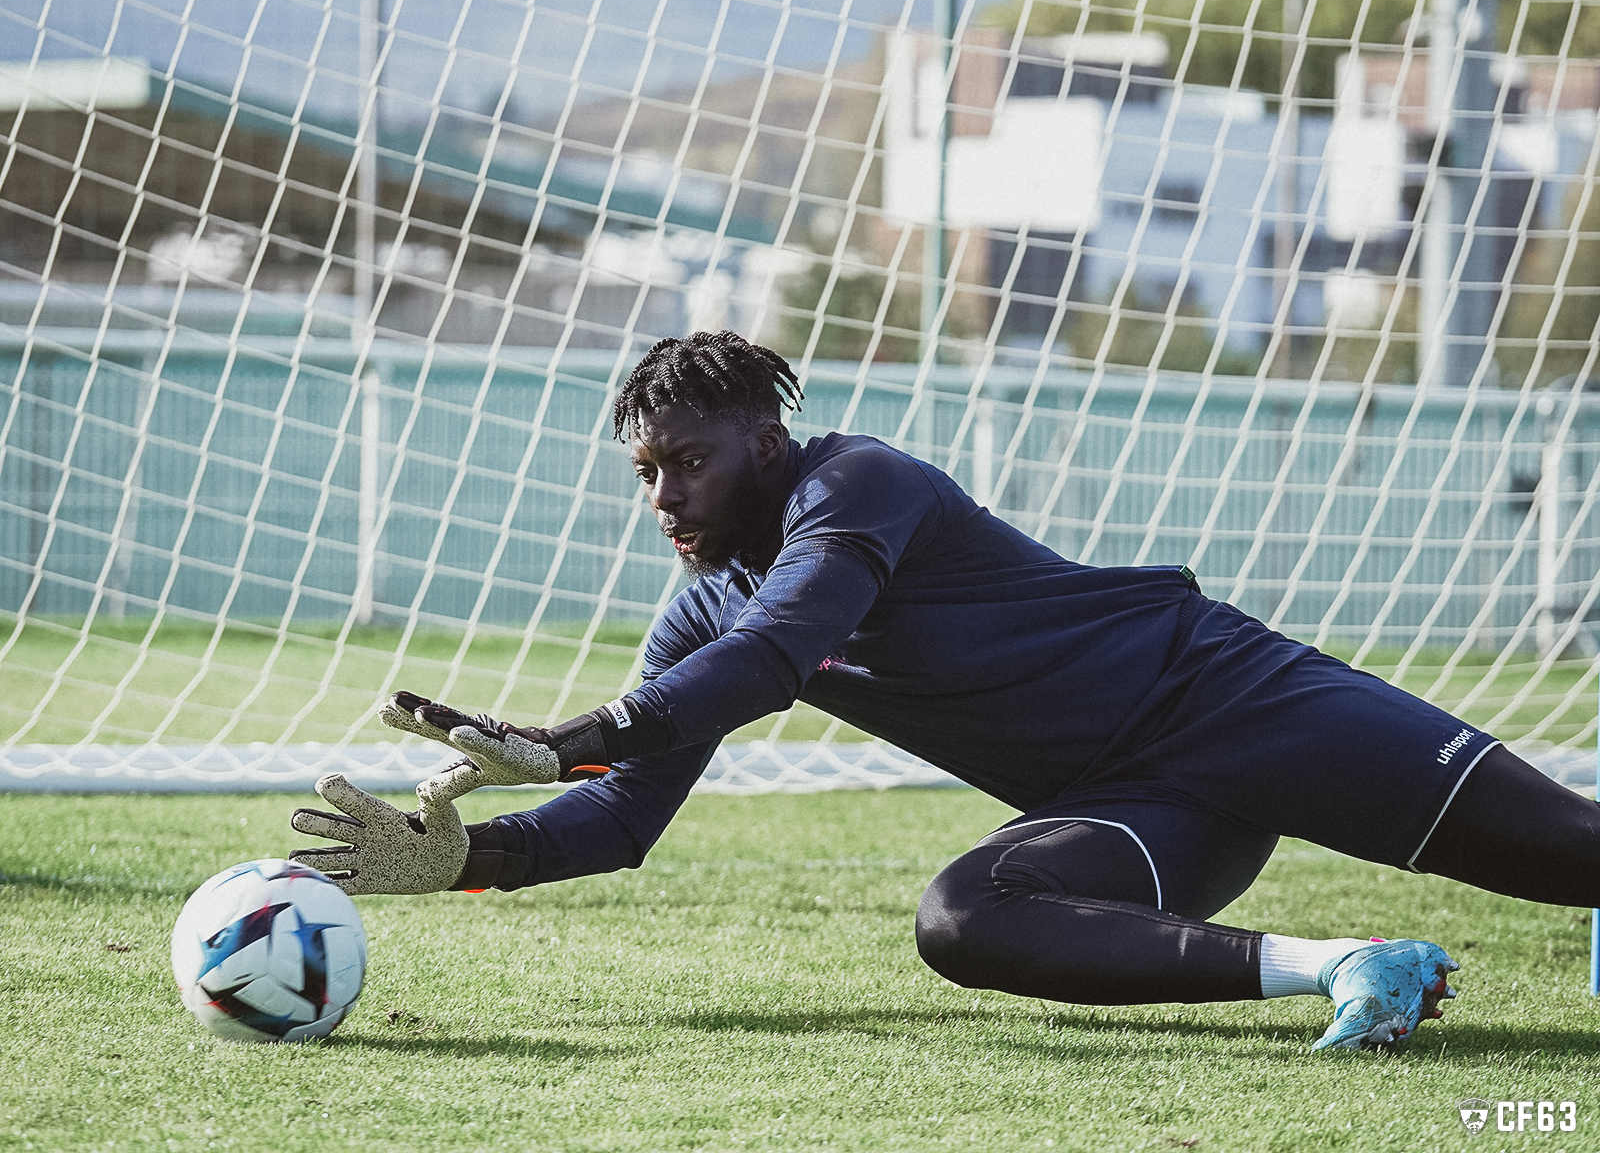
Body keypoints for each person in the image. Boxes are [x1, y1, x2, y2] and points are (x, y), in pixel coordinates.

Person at [289, 330, 1600, 1052]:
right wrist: (460, 859)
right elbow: (624, 818)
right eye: (643, 475)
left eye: (685, 462)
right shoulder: (700, 604)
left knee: (1574, 856)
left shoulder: (857, 483)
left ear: (766, 436)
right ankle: (1353, 971)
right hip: (1136, 804)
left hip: (1230, 695)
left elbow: (784, 651)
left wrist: (565, 734)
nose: (664, 498)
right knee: (964, 919)